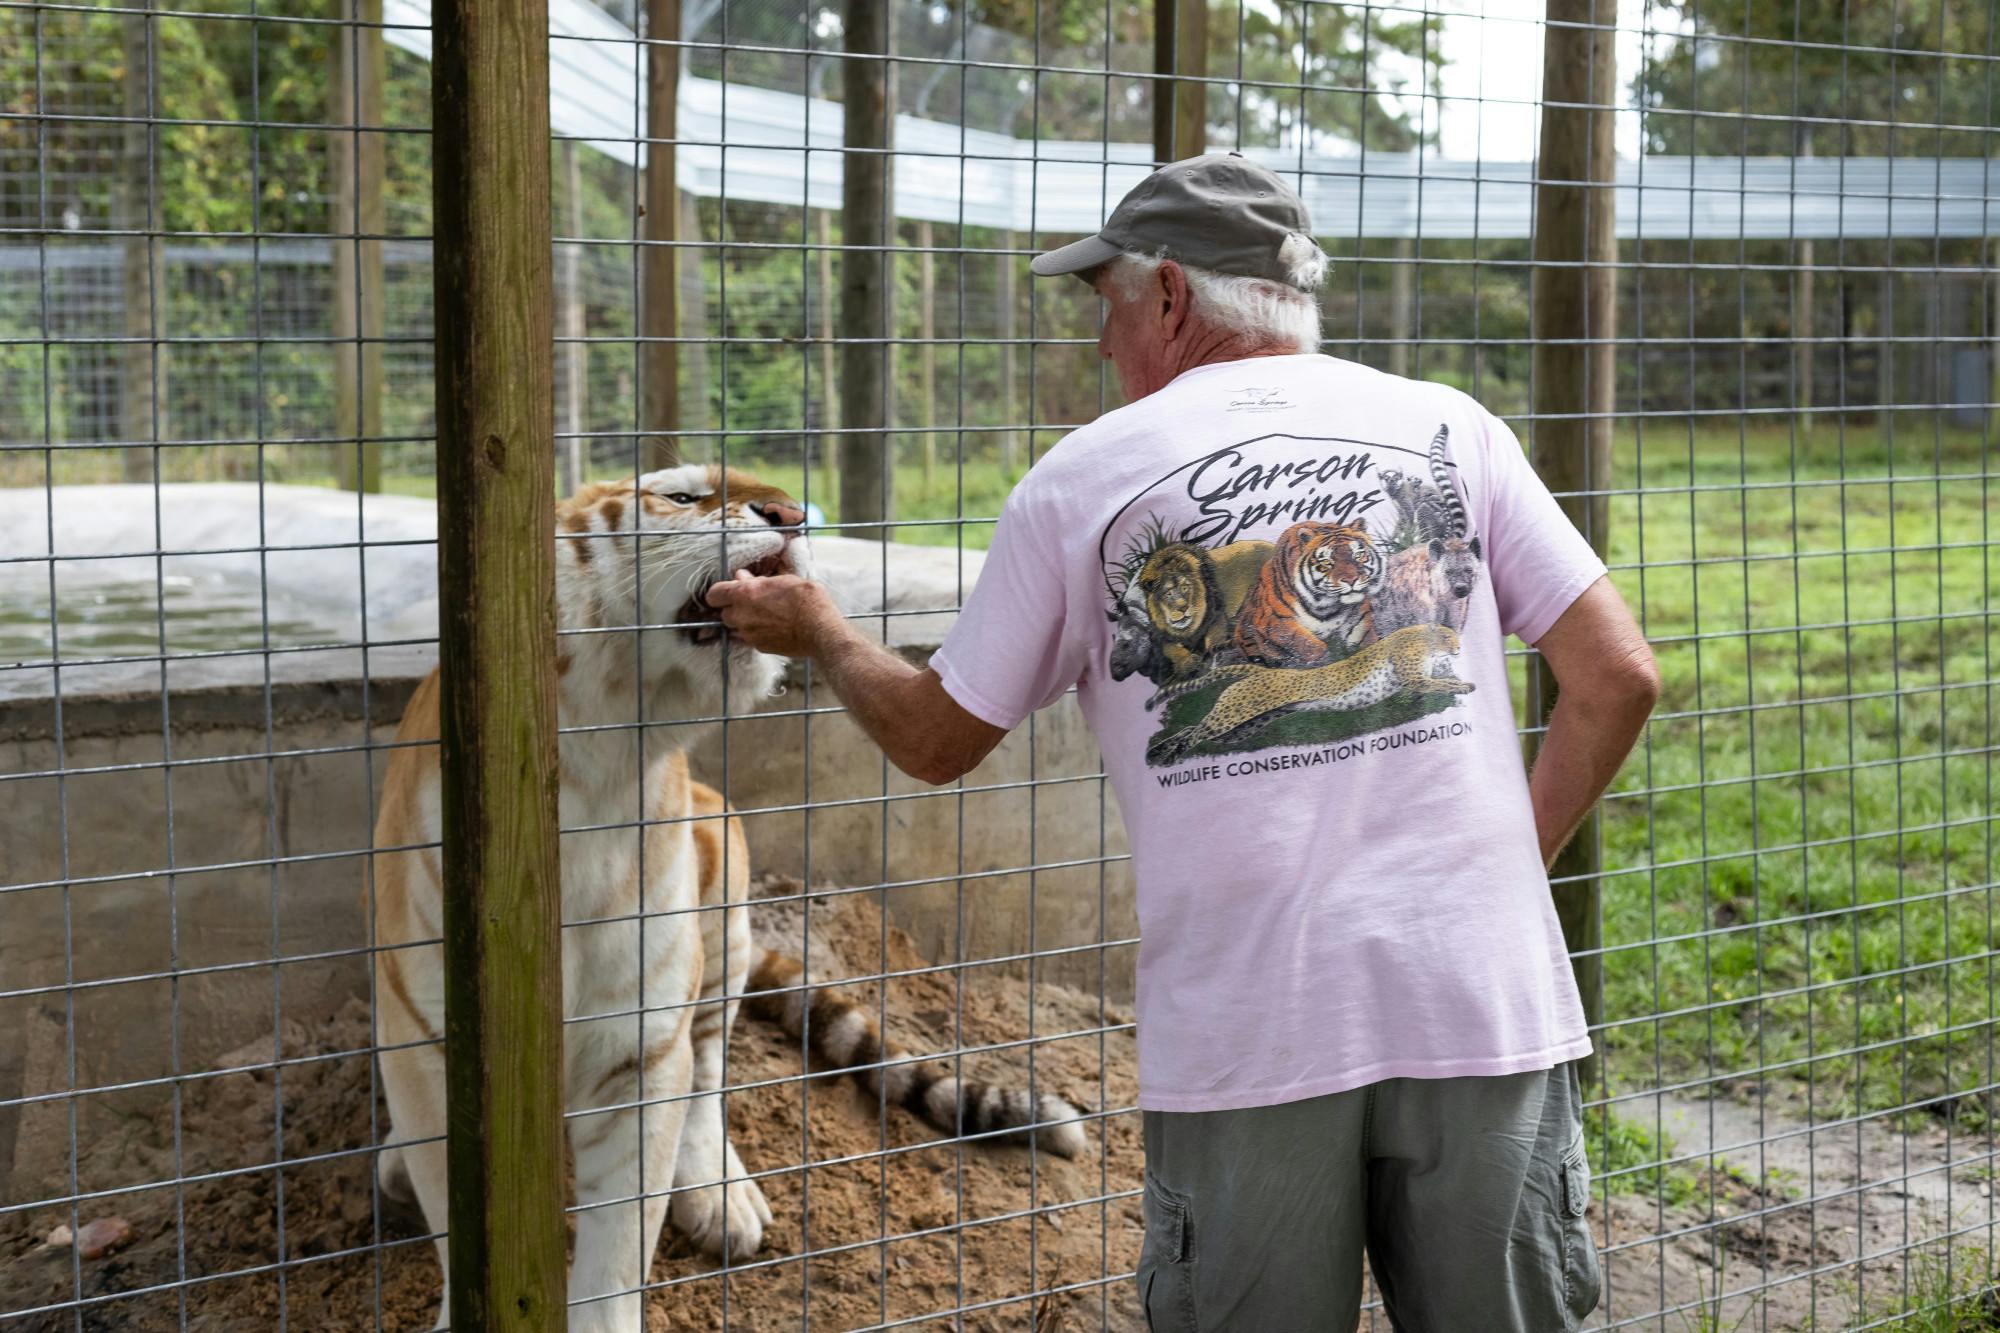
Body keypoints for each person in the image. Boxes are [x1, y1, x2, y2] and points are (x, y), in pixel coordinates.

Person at [708, 152, 1659, 1331]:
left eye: (1105, 305)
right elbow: (1616, 677)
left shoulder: (1083, 480)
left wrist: (823, 633)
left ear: (1164, 294)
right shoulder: (1451, 429)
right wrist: (1511, 861)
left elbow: (934, 739)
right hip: (1483, 1005)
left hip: (1250, 1033)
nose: (1103, 345)